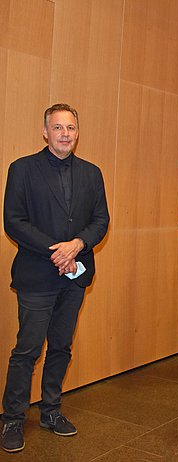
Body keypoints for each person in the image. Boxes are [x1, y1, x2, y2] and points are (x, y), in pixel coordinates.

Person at [1, 104, 110, 453]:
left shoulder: (92, 173)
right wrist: (56, 251)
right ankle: (13, 419)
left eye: (71, 128)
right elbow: (14, 222)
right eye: (58, 127)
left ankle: (51, 410)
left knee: (61, 347)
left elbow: (101, 220)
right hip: (37, 275)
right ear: (45, 132)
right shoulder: (22, 169)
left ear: (78, 133)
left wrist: (77, 245)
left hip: (74, 276)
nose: (65, 133)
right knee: (27, 351)